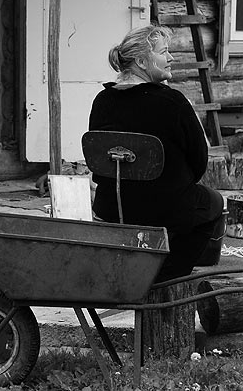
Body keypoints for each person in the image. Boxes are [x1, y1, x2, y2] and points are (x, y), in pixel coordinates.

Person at [88, 24, 224, 282]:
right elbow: (199, 161)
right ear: (141, 61)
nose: (171, 57)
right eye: (163, 52)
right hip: (164, 209)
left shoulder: (102, 101)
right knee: (214, 203)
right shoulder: (172, 102)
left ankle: (140, 273)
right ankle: (166, 277)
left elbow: (99, 161)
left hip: (112, 207)